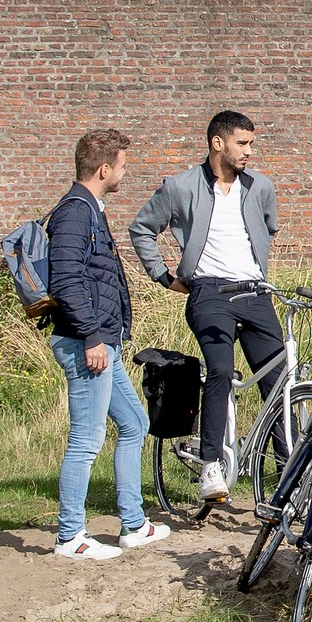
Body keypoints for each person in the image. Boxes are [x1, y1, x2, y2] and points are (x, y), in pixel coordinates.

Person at [130, 109, 282, 503]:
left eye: (252, 143)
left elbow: (268, 227)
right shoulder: (181, 187)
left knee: (278, 380)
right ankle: (211, 465)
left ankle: (288, 471)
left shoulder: (260, 186)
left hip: (255, 293)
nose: (250, 151)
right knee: (220, 369)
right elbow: (142, 228)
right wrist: (164, 276)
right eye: (242, 143)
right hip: (210, 294)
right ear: (218, 143)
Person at [47, 127, 168, 561]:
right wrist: (93, 336)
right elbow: (66, 279)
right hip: (87, 344)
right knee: (86, 438)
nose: (124, 173)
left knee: (134, 423)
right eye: (121, 166)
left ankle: (133, 526)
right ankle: (70, 536)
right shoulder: (75, 212)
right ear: (103, 169)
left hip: (102, 343)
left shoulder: (89, 209)